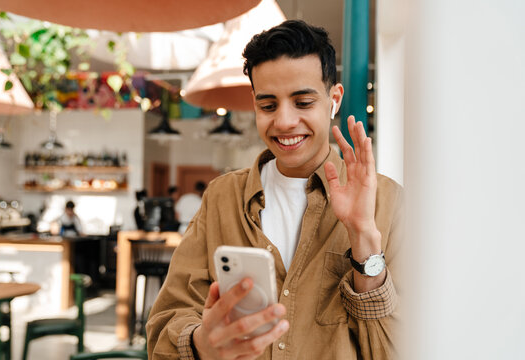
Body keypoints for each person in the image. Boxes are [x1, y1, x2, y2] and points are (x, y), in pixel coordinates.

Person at [147, 20, 402, 359]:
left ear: (334, 100)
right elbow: (164, 327)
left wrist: (364, 241)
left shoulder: (389, 202)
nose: (283, 122)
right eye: (268, 106)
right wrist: (200, 343)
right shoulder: (222, 198)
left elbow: (402, 348)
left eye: (303, 102)